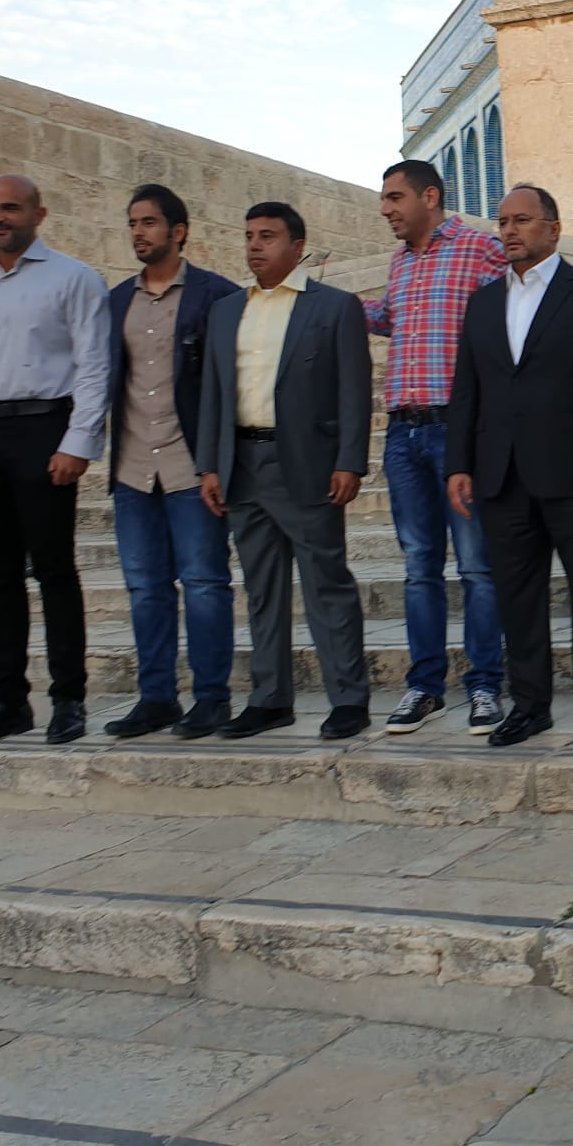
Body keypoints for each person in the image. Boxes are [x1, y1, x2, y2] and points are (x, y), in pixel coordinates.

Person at [446, 184, 573, 750]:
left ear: (552, 228)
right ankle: (529, 706)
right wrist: (459, 463)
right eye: (502, 221)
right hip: (502, 476)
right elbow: (467, 391)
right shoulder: (482, 303)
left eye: (521, 220)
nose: (508, 230)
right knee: (517, 599)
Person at [195, 202, 373, 742]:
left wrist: (349, 460)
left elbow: (354, 391)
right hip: (242, 467)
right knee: (262, 589)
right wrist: (209, 464)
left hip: (308, 467)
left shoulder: (335, 307)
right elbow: (213, 394)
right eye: (249, 236)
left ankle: (348, 698)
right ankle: (270, 699)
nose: (254, 246)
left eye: (267, 236)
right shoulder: (227, 311)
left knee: (327, 586)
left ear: (297, 246)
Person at [0, 175, 109, 749]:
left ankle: (69, 699)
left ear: (38, 214)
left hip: (43, 430)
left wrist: (77, 442)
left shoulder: (73, 279)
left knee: (56, 571)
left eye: (10, 208)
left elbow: (95, 366)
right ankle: (8, 701)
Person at [365, 159, 507, 738]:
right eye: (384, 199)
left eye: (395, 197)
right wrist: (344, 310)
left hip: (459, 431)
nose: (386, 209)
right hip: (403, 433)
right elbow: (389, 319)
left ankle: (484, 687)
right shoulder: (399, 262)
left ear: (430, 196)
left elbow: (523, 299)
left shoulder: (478, 249)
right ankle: (424, 688)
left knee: (477, 565)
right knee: (419, 566)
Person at [104, 185, 239, 740]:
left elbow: (230, 387)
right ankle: (156, 697)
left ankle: (211, 698)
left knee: (206, 583)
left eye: (150, 223)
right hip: (133, 467)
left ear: (178, 232)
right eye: (133, 222)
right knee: (145, 587)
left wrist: (217, 463)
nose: (139, 232)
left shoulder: (217, 296)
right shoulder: (115, 301)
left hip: (191, 468)